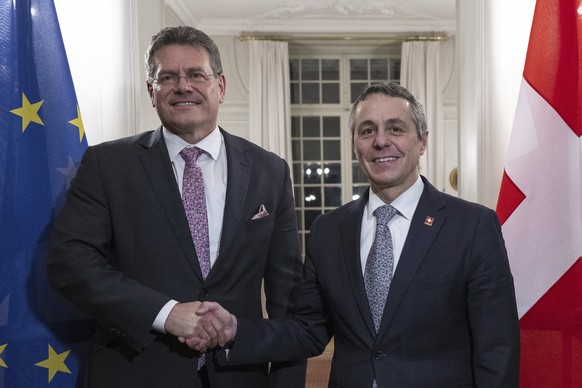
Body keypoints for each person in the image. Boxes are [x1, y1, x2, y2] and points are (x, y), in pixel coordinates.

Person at [193, 82, 521, 387]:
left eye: (395, 128)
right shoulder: (329, 230)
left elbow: (496, 347)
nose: (381, 141)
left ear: (422, 141)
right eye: (368, 131)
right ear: (355, 145)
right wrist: (235, 329)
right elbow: (308, 329)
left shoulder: (473, 226)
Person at [47, 26, 305, 388]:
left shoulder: (269, 170)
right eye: (167, 77)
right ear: (152, 92)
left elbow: (287, 296)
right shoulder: (108, 164)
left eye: (197, 74)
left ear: (221, 86)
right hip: (136, 372)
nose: (183, 86)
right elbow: (70, 262)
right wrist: (164, 314)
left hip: (239, 376)